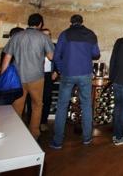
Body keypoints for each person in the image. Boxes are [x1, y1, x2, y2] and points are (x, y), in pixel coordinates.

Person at [50, 15, 101, 149]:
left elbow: (56, 56)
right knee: (86, 105)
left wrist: (61, 69)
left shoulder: (64, 34)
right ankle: (87, 138)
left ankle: (58, 141)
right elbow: (96, 54)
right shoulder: (90, 34)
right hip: (85, 74)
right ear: (82, 22)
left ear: (71, 22)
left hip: (68, 73)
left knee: (62, 106)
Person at [0, 14, 54, 140]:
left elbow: (7, 57)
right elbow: (51, 57)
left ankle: (15, 132)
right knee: (37, 105)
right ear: (40, 24)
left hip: (18, 77)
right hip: (36, 77)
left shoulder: (17, 36)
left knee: (17, 106)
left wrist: (3, 76)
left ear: (28, 23)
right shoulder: (43, 37)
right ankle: (34, 133)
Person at [40, 28, 58, 132]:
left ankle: (43, 121)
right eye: (45, 35)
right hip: (36, 75)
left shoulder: (54, 46)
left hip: (48, 75)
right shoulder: (37, 45)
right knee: (35, 99)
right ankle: (32, 122)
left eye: (49, 35)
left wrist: (56, 71)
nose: (48, 37)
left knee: (47, 98)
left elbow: (58, 59)